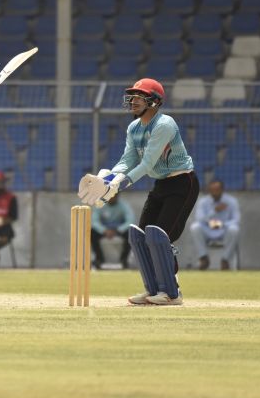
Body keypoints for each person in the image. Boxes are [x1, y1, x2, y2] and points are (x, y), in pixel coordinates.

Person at [78, 78, 199, 305]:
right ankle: (153, 289)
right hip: (161, 184)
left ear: (154, 101)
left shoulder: (165, 124)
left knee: (160, 237)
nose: (133, 101)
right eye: (132, 97)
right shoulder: (134, 127)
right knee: (142, 236)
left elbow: (147, 163)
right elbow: (128, 159)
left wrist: (119, 184)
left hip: (182, 183)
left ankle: (172, 293)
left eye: (139, 97)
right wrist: (108, 179)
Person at [189, 179, 240, 270]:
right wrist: (214, 211)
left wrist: (222, 224)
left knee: (234, 229)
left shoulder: (231, 201)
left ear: (222, 190)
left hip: (224, 230)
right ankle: (203, 257)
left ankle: (225, 260)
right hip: (208, 229)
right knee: (195, 227)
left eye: (217, 190)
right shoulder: (203, 202)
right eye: (212, 190)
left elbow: (236, 220)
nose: (214, 193)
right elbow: (199, 218)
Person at [90, 194, 134, 269]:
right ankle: (99, 259)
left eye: (114, 196)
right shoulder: (100, 205)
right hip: (105, 229)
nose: (112, 198)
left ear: (117, 196)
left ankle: (124, 260)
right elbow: (94, 221)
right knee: (92, 233)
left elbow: (130, 221)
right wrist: (104, 230)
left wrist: (118, 230)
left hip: (118, 229)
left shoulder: (124, 206)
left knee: (130, 233)